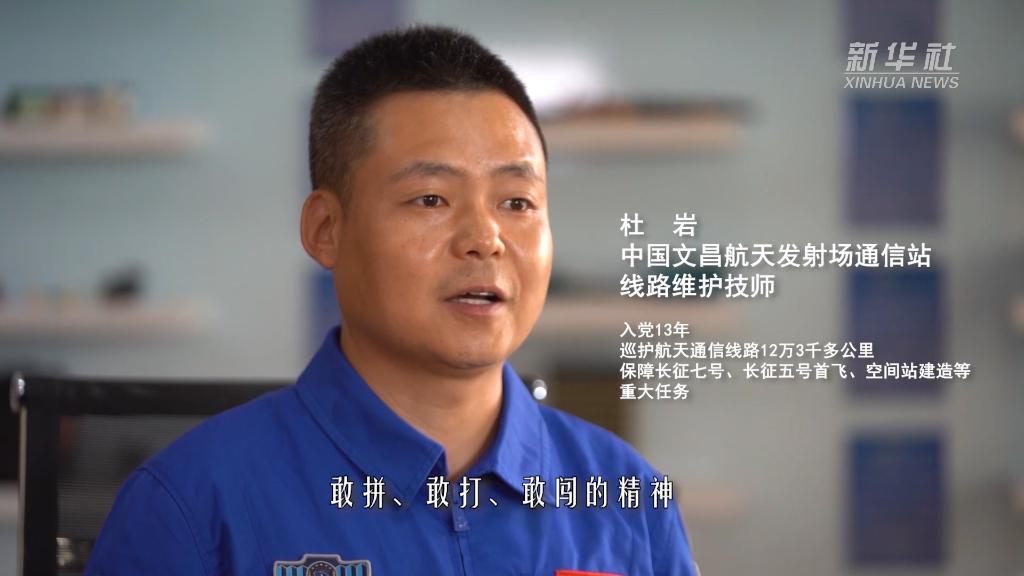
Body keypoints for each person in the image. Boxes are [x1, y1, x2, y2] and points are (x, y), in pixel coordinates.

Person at [86, 25, 698, 575]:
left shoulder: (629, 500)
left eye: (517, 202)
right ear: (326, 229)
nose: (485, 238)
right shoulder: (189, 506)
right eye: (431, 199)